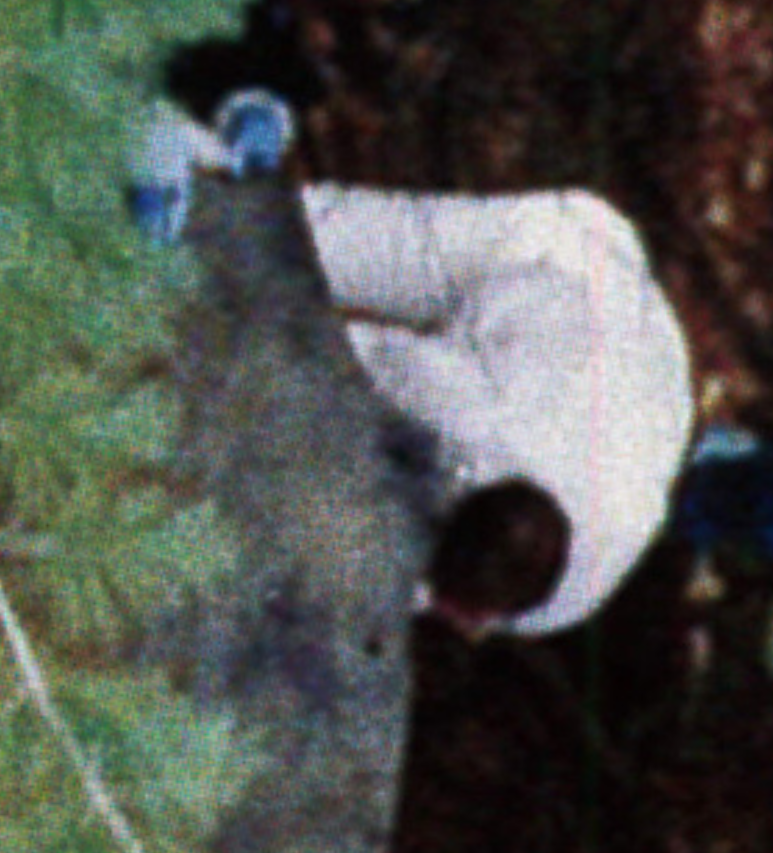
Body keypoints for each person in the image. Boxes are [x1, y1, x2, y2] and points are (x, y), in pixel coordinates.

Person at [298, 183, 696, 636]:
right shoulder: (461, 408)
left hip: (649, 375)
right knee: (319, 239)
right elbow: (330, 352)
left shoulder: (569, 601)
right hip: (559, 257)